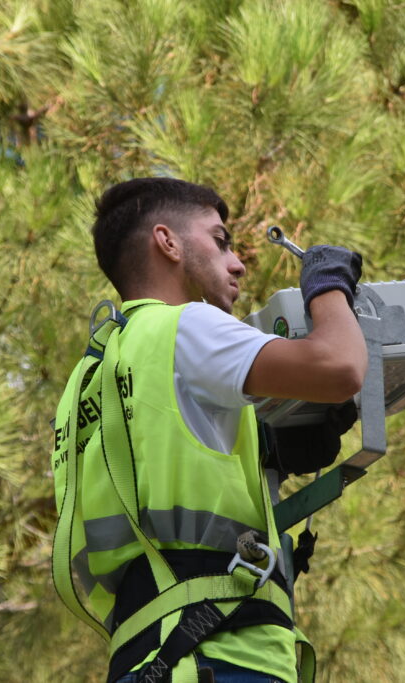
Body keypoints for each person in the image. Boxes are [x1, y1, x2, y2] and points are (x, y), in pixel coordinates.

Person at [50, 178, 367, 683]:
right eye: (220, 240)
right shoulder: (187, 325)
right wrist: (328, 287)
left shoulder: (91, 377)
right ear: (167, 242)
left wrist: (269, 450)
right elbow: (341, 367)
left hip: (151, 657)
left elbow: (167, 472)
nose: (238, 262)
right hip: (219, 658)